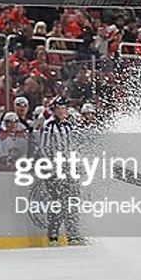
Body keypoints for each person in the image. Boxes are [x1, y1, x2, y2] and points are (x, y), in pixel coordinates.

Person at [37, 98, 83, 246]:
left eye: (64, 107)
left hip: (69, 167)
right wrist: (50, 163)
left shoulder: (70, 125)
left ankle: (72, 234)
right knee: (56, 201)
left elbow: (74, 145)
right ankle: (53, 235)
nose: (62, 110)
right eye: (59, 108)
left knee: (72, 201)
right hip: (55, 168)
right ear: (54, 109)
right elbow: (43, 147)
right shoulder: (49, 125)